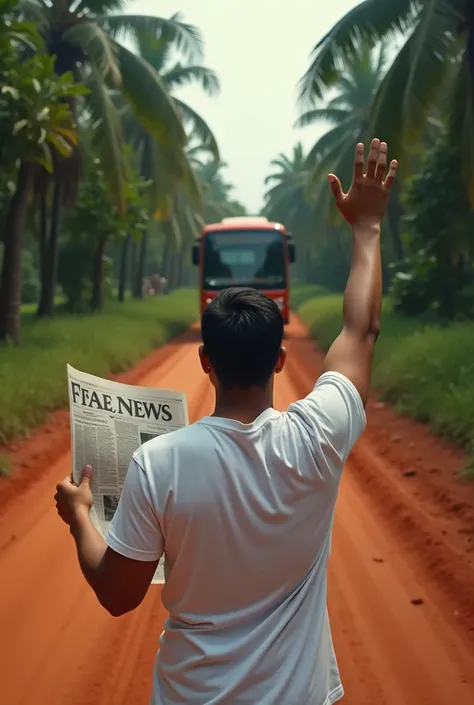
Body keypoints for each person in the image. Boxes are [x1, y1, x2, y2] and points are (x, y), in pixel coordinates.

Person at [55, 138, 398, 705]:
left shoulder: (159, 461)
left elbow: (118, 596)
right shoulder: (318, 436)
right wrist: (367, 228)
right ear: (281, 362)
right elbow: (362, 331)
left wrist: (79, 518)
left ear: (205, 362)